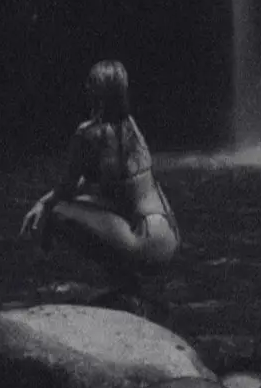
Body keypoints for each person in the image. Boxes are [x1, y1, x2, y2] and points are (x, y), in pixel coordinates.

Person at [20, 60, 180, 306]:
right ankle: (131, 291)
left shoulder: (88, 134)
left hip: (143, 241)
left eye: (89, 85)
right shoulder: (132, 129)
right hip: (169, 236)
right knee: (83, 203)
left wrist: (42, 204)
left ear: (95, 92)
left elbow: (66, 189)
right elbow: (107, 188)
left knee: (56, 213)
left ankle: (124, 286)